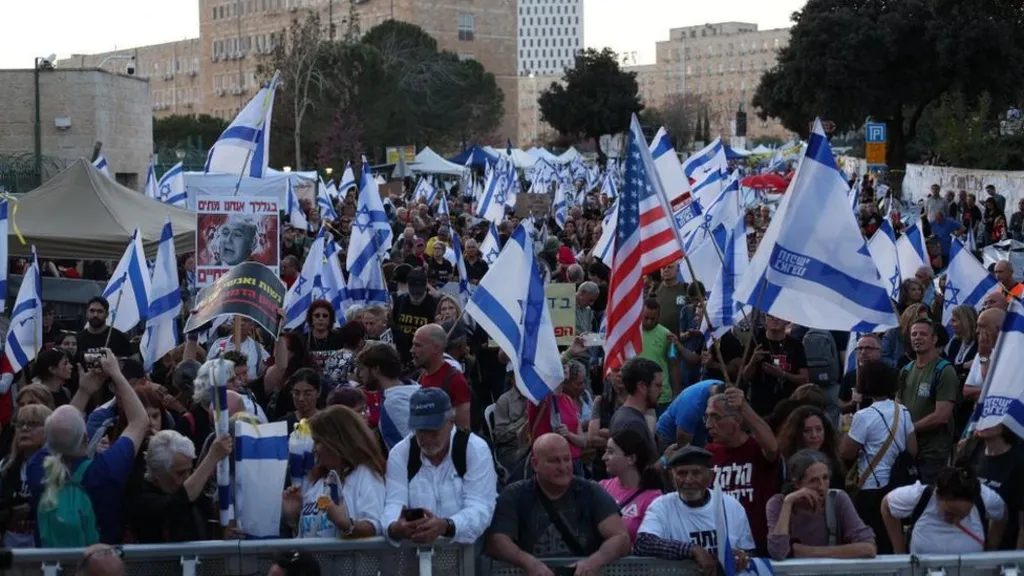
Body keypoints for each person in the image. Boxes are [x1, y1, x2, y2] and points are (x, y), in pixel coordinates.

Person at [28, 350, 149, 546]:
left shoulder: (37, 469)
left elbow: (61, 427)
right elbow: (139, 422)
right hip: (96, 565)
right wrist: (116, 375)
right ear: (86, 438)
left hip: (50, 567)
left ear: (48, 438)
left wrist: (84, 391)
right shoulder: (105, 471)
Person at [486, 434, 631, 574]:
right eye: (554, 461)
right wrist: (527, 562)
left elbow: (621, 537)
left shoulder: (591, 491)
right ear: (535, 464)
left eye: (567, 459)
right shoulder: (514, 495)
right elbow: (497, 541)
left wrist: (594, 562)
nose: (563, 467)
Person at [382, 388, 497, 546]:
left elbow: (481, 506)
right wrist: (395, 527)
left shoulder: (475, 449)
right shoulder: (401, 454)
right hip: (416, 558)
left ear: (451, 422)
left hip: (467, 557)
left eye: (433, 431)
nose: (427, 438)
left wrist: (447, 526)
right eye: (421, 431)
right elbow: (394, 502)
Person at [634, 446, 754, 573]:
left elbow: (749, 551)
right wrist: (692, 550)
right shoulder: (662, 506)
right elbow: (643, 543)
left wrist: (741, 556)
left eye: (696, 473)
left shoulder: (731, 506)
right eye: (682, 473)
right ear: (672, 478)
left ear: (710, 477)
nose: (689, 480)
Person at [283, 406, 386, 538]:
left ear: (338, 443)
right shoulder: (319, 481)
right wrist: (294, 517)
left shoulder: (365, 475)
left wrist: (347, 525)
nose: (314, 449)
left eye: (319, 442)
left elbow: (375, 527)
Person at [704, 387, 779, 555]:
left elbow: (773, 448)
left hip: (757, 549)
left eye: (715, 417)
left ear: (737, 420)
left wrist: (744, 406)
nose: (709, 425)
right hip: (720, 550)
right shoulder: (707, 454)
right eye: (707, 417)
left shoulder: (757, 448)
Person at [766, 450, 876, 560]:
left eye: (825, 478)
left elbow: (868, 548)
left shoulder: (837, 499)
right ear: (797, 484)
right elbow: (778, 552)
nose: (822, 486)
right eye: (814, 480)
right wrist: (788, 503)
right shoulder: (778, 504)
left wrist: (807, 551)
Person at [129, 429, 231, 542]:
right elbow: (177, 502)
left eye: (189, 471)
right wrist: (212, 458)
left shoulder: (195, 494)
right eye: (180, 473)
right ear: (157, 471)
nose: (188, 478)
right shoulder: (142, 498)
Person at [882, 466, 1005, 554]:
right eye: (950, 513)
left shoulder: (985, 499)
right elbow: (886, 505)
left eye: (963, 515)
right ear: (938, 496)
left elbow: (1002, 512)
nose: (955, 520)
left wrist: (992, 547)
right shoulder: (919, 496)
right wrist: (899, 550)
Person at [898, 318, 958, 484]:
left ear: (934, 339)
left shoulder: (945, 370)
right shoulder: (906, 370)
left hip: (932, 453)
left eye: (923, 334)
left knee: (928, 501)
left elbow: (941, 417)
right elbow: (897, 407)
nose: (917, 337)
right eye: (914, 334)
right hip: (908, 449)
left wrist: (909, 429)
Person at [0, 404, 52, 547]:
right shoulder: (4, 466)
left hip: (44, 549)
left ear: (49, 430)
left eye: (33, 424)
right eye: (20, 424)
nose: (24, 429)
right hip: (9, 550)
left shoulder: (57, 467)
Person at [599, 429, 663, 542]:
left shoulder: (653, 499)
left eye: (611, 452)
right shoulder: (602, 488)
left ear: (631, 459)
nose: (604, 457)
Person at [354, 343, 420, 451]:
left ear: (376, 369)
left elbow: (416, 444)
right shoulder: (413, 387)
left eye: (362, 369)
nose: (360, 375)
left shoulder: (394, 403)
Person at [743, 314, 808, 417]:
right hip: (761, 405)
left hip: (788, 405)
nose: (775, 319)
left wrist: (783, 374)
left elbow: (805, 379)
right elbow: (745, 377)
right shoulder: (756, 342)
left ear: (787, 321)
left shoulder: (796, 345)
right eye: (770, 316)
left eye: (779, 316)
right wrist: (753, 361)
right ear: (765, 320)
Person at [608, 358, 662, 461]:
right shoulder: (632, 424)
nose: (661, 391)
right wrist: (665, 460)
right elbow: (635, 473)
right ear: (642, 387)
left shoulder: (629, 417)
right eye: (658, 386)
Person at [656, 379, 722, 449]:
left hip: (697, 435)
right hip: (669, 437)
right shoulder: (692, 405)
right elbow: (683, 443)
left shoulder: (723, 390)